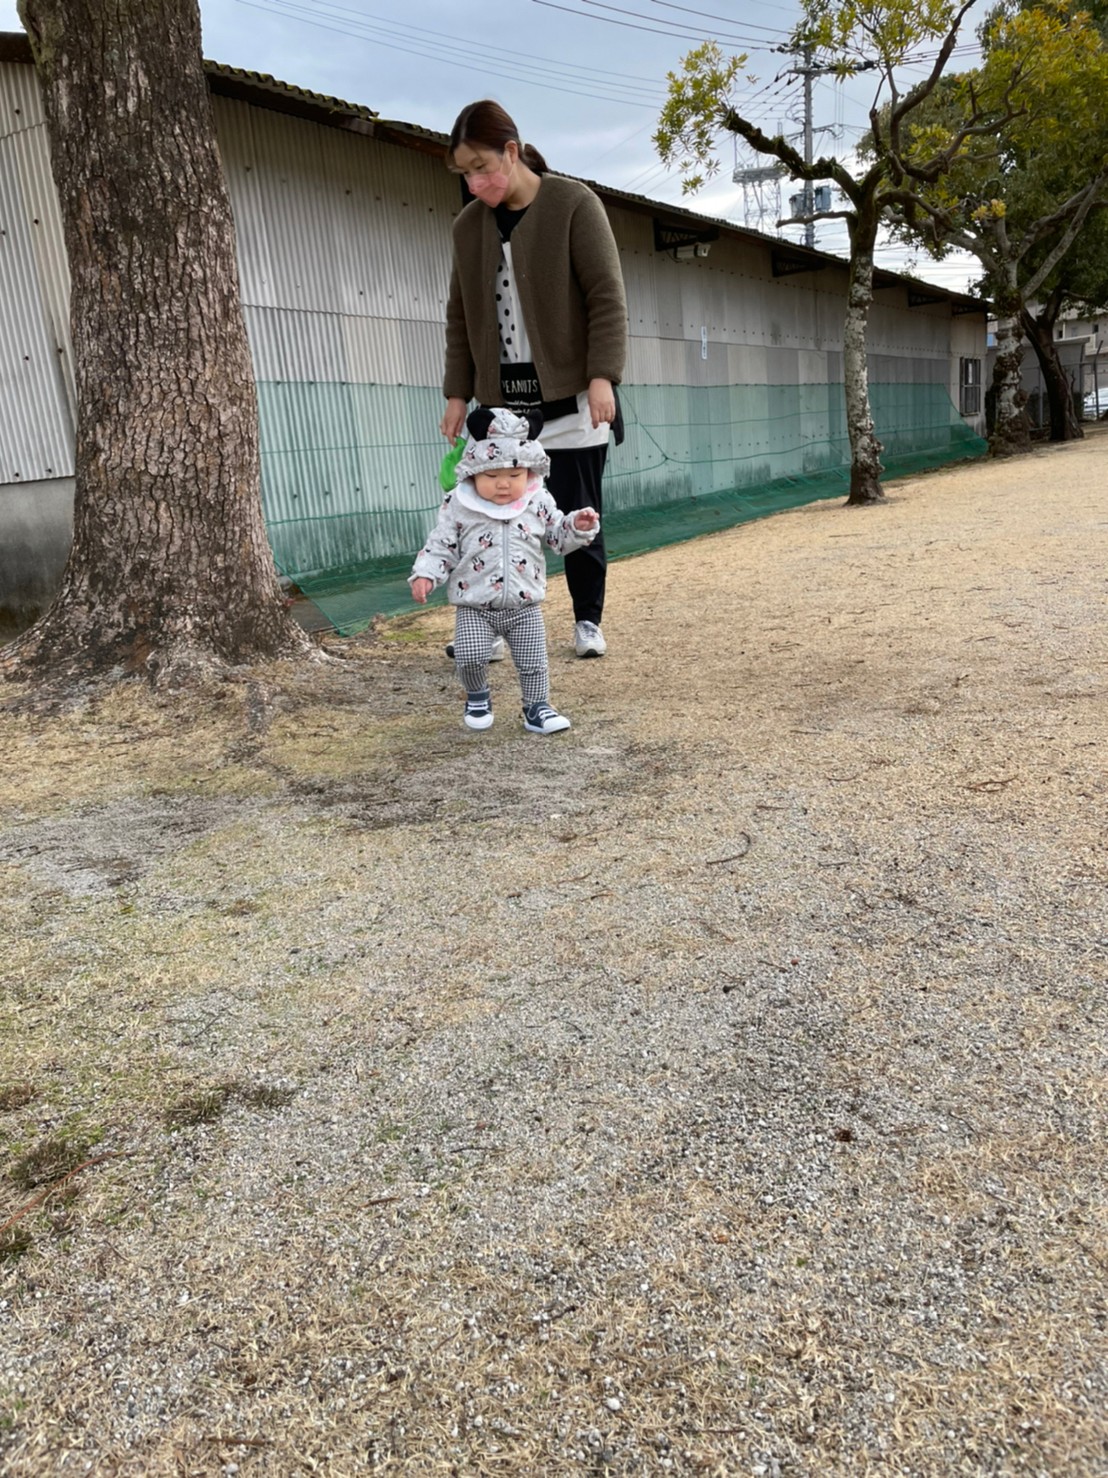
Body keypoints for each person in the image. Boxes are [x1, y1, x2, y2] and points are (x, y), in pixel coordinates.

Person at [440, 98, 627, 659]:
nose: (474, 183)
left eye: (481, 167)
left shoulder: (573, 204)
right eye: (464, 173)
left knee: (578, 513)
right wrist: (457, 394)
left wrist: (602, 375)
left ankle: (587, 621)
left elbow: (606, 297)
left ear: (511, 152)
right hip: (502, 408)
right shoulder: (468, 227)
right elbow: (459, 317)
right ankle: (492, 629)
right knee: (491, 518)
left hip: (574, 399)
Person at [410, 407, 599, 734]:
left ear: (528, 470)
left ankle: (537, 708)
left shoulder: (537, 499)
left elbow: (556, 535)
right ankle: (477, 695)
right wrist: (426, 573)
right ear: (473, 472)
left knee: (534, 662)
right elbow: (441, 544)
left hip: (525, 605)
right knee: (469, 656)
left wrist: (577, 526)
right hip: (475, 605)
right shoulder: (460, 504)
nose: (503, 485)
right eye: (492, 476)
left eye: (514, 476)